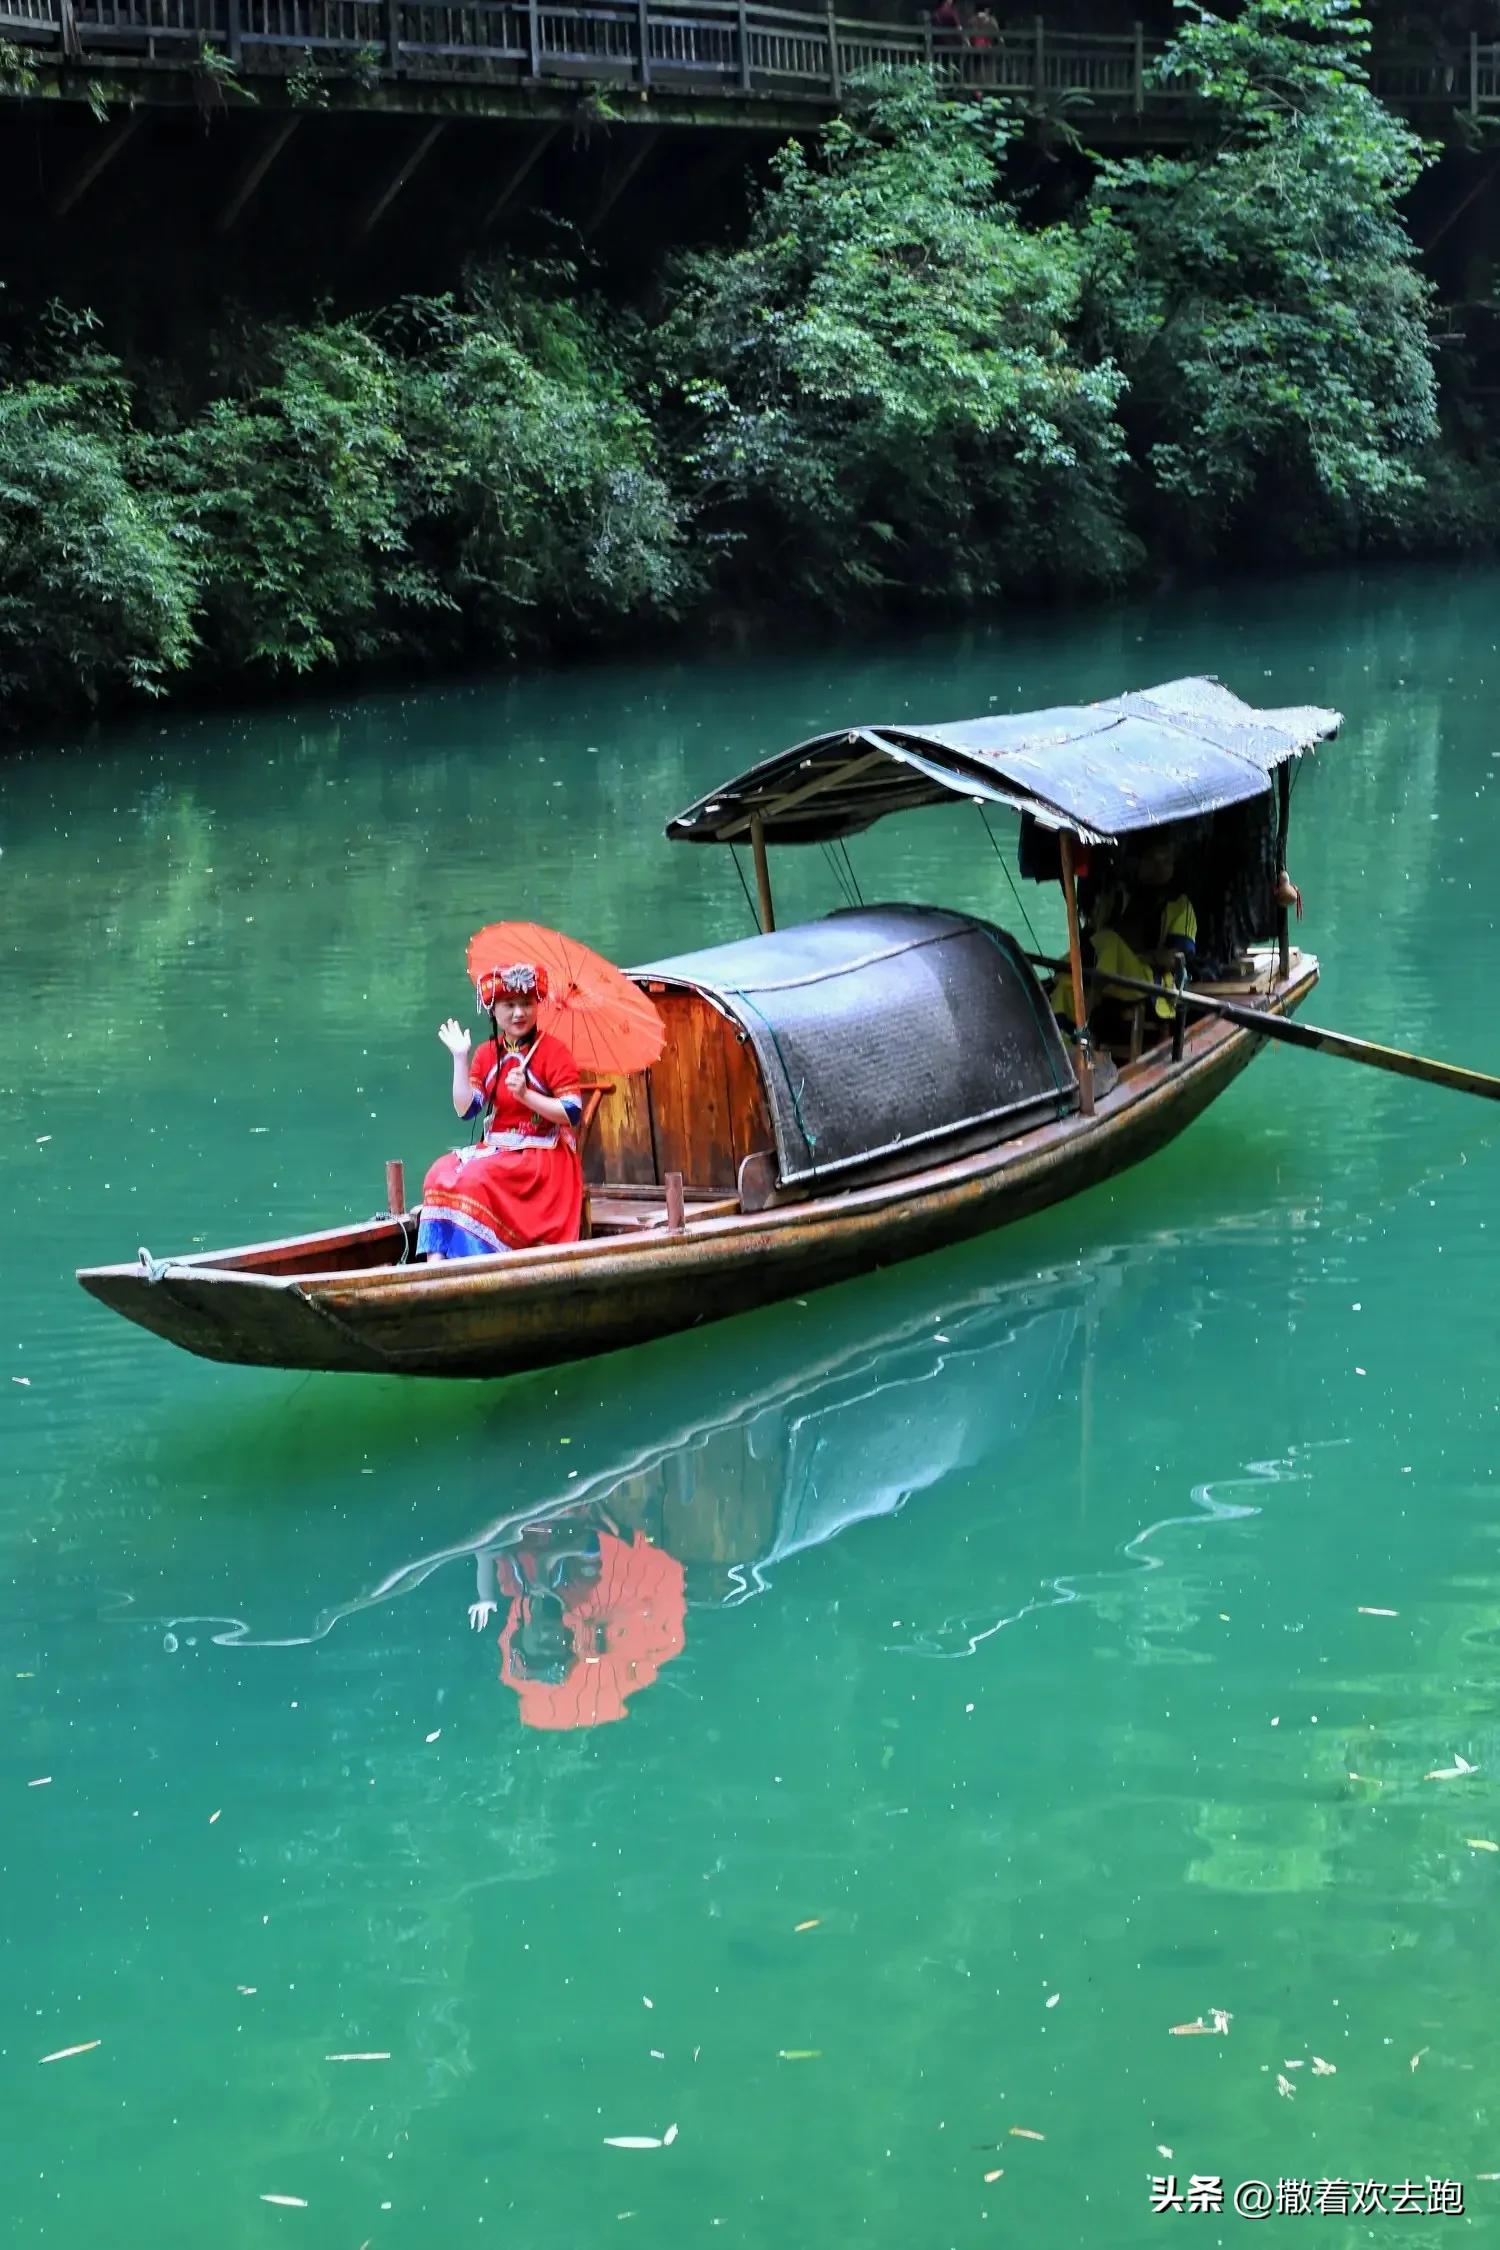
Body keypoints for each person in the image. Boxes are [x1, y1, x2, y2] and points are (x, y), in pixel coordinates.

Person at [417, 962, 584, 1259]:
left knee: (474, 1179)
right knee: (437, 1173)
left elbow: (571, 1112)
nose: (519, 1013)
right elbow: (467, 1109)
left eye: (527, 1004)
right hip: (497, 1149)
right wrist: (460, 1058)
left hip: (541, 1157)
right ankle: (435, 1266)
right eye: (509, 1005)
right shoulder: (487, 1053)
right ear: (494, 1010)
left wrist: (526, 1095)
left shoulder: (554, 1052)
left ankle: (475, 1262)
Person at [1053, 834, 1198, 1038]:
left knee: (1110, 943)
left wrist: (1143, 958)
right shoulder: (1120, 895)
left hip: (1149, 980)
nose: (1160, 867)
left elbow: (1177, 959)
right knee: (1066, 979)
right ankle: (1060, 1039)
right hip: (1108, 969)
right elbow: (1092, 936)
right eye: (1153, 860)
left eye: (1166, 861)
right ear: (1139, 863)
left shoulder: (1180, 905)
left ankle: (1084, 1024)